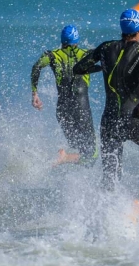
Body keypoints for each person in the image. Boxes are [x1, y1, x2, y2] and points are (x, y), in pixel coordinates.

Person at [73, 9, 139, 190]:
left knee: (110, 176)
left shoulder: (105, 48)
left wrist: (102, 68)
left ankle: (107, 211)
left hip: (110, 121)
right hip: (135, 120)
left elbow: (78, 68)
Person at [31, 25, 100, 166]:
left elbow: (36, 67)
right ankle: (66, 158)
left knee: (78, 146)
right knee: (92, 155)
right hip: (81, 109)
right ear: (77, 41)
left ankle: (63, 158)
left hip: (62, 110)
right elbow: (110, 54)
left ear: (62, 41)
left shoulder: (52, 55)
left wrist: (35, 93)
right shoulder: (86, 54)